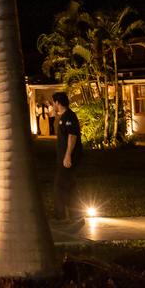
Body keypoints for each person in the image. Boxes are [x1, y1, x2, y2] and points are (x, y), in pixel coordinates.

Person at [53, 91, 83, 227]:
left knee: (60, 186)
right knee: (71, 188)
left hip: (69, 159)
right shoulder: (64, 116)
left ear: (57, 103)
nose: (53, 105)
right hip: (65, 158)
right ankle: (76, 216)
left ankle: (60, 217)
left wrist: (67, 155)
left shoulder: (69, 116)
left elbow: (72, 135)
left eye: (54, 102)